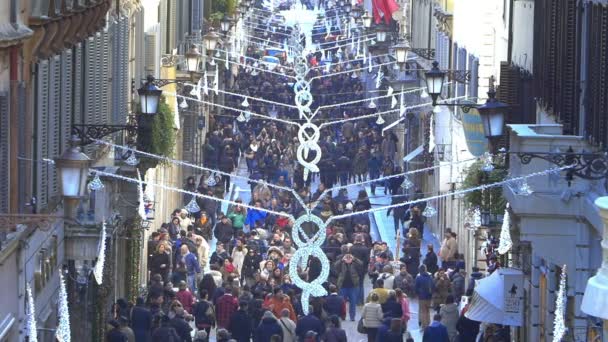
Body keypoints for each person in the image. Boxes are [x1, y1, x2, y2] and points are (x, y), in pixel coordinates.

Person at [334, 253, 362, 321]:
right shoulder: (341, 263)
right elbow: (335, 265)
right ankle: (343, 316)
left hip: (353, 286)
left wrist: (355, 259)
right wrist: (341, 260)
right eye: (347, 258)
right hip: (343, 286)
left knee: (353, 302)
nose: (348, 260)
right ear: (345, 259)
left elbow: (361, 264)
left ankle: (352, 317)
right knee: (342, 303)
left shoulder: (355, 263)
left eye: (350, 258)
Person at [415, 265, 434, 329]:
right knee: (427, 310)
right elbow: (433, 286)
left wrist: (418, 293)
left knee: (423, 311)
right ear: (425, 270)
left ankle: (424, 326)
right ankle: (428, 323)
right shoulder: (430, 277)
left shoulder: (419, 277)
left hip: (422, 297)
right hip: (429, 297)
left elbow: (416, 288)